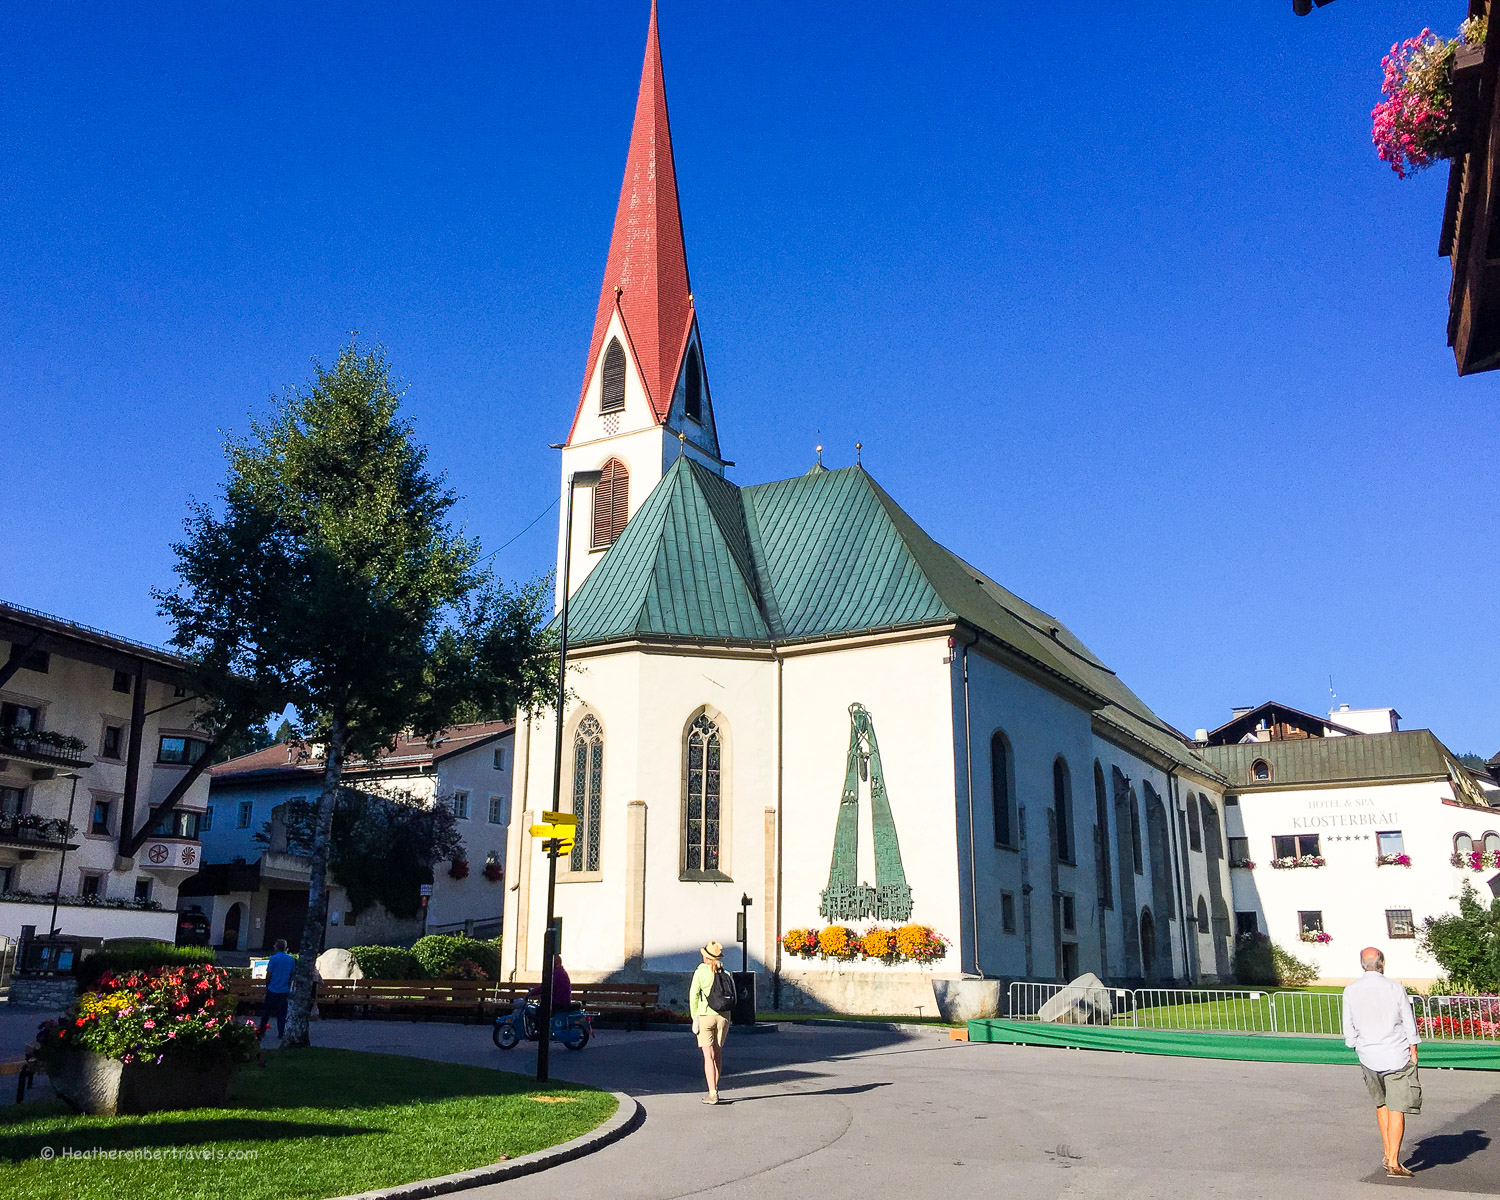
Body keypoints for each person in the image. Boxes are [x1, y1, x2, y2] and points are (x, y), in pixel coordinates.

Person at [1342, 946, 1421, 1178]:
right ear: (1382, 964)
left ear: (1362, 965)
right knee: (1397, 1107)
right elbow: (1408, 1020)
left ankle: (1388, 1153)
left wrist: (1355, 1044)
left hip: (1368, 1055)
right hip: (1396, 1054)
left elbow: (1348, 1024)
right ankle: (1394, 1162)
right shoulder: (1395, 988)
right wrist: (1413, 1048)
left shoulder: (1351, 990)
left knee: (1382, 1104)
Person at [689, 941, 735, 1104]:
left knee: (708, 1057)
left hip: (705, 1015)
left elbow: (694, 995)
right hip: (723, 1017)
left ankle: (712, 1092)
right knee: (717, 1055)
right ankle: (715, 1088)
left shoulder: (701, 972)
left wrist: (694, 1016)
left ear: (706, 957)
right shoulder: (726, 973)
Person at [524, 956, 573, 1037]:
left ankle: (540, 1032)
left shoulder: (557, 973)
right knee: (542, 1008)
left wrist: (531, 993)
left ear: (556, 963)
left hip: (559, 1001)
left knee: (540, 1011)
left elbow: (546, 986)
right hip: (561, 999)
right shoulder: (559, 972)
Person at [258, 939, 296, 1042]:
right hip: (284, 990)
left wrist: (267, 985)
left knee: (266, 1012)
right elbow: (292, 974)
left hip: (272, 989)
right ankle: (281, 1033)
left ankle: (261, 1031)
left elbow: (269, 974)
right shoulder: (290, 959)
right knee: (282, 1014)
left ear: (277, 947)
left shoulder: (273, 958)